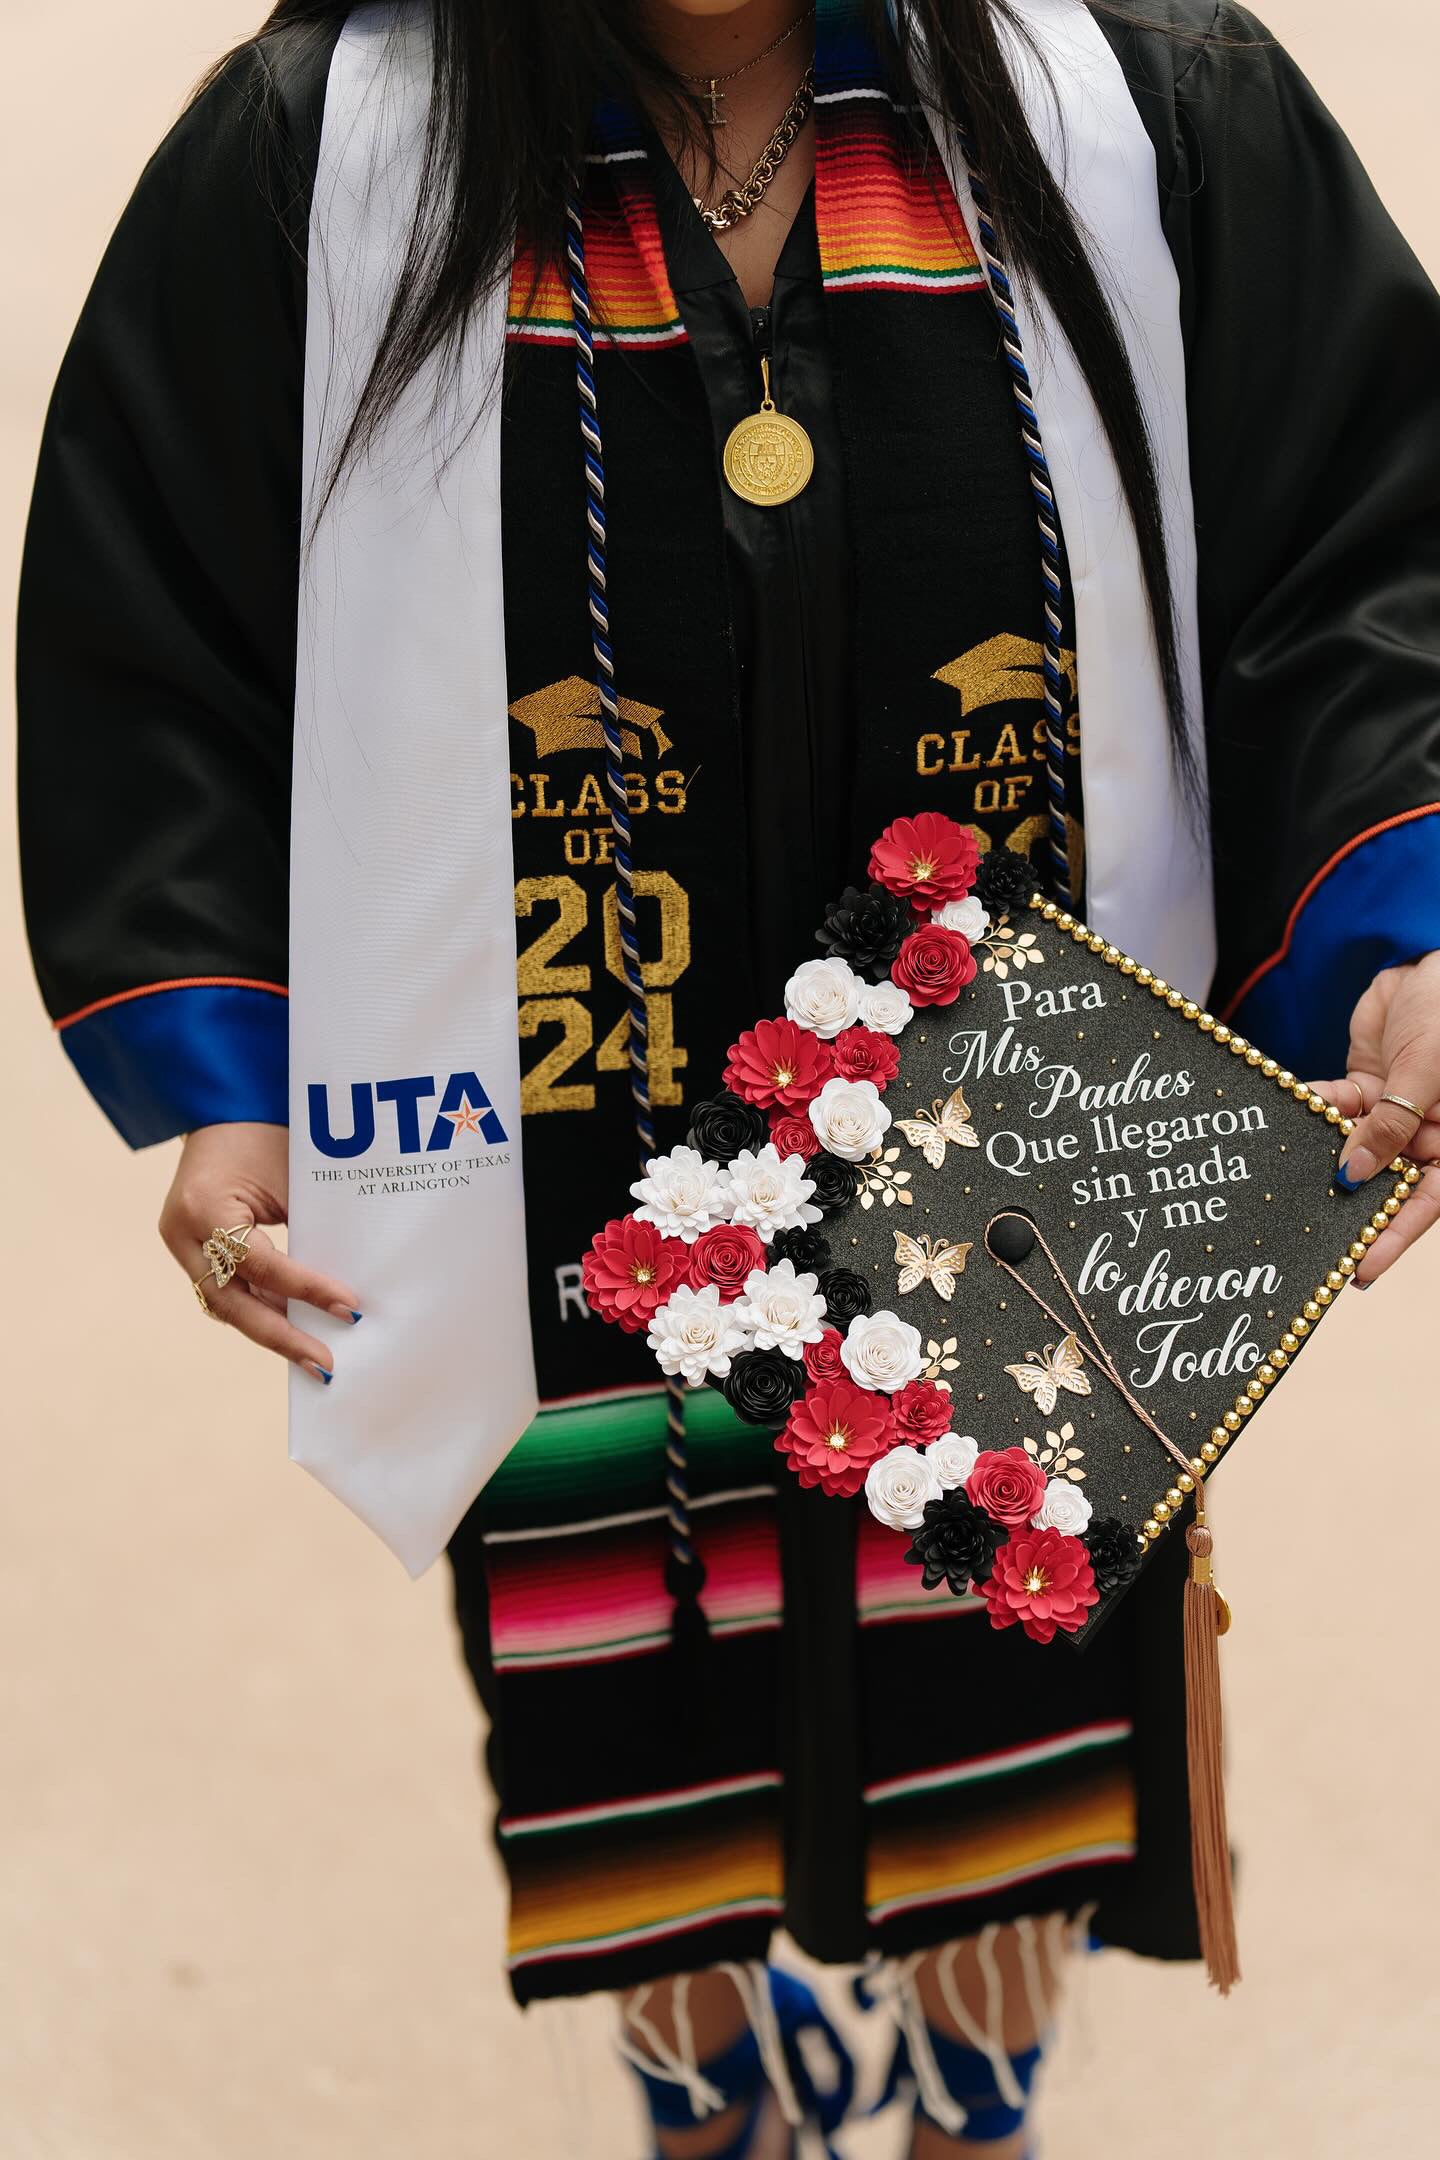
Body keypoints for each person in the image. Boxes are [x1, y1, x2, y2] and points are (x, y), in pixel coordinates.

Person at [19, 1, 1440, 2151]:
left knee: (1017, 1668)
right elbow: (158, 630)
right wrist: (235, 1070)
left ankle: (980, 2079)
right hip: (563, 1070)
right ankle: (706, 2092)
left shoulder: (1136, 104)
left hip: (1024, 1088)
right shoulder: (328, 148)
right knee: (631, 1689)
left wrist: (1411, 926)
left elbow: (1364, 552)